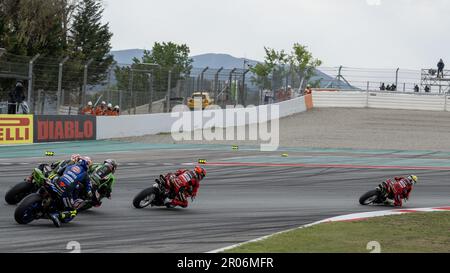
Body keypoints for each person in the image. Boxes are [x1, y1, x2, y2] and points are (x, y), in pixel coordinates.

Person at [48, 156, 93, 227]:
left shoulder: (70, 165)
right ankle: (55, 215)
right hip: (66, 189)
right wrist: (90, 194)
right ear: (87, 165)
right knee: (73, 209)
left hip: (56, 181)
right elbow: (89, 186)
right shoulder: (85, 174)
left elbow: (59, 171)